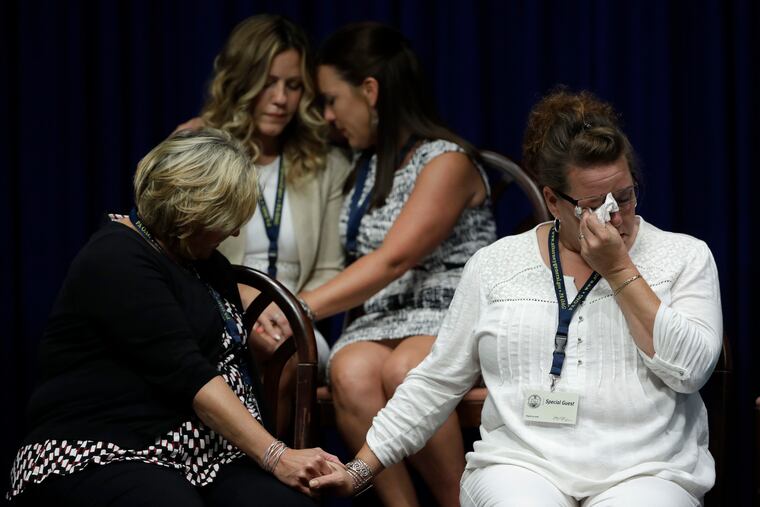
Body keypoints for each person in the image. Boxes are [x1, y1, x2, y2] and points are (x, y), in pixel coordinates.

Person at [308, 89, 723, 507]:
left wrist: (619, 270)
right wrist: (358, 470)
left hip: (647, 470)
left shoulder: (684, 256)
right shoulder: (496, 265)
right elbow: (435, 381)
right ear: (553, 201)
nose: (615, 216)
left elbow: (690, 369)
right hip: (523, 466)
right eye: (594, 204)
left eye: (626, 196)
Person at [7, 129, 337, 506]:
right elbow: (191, 376)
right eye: (226, 218)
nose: (235, 230)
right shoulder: (116, 259)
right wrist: (277, 455)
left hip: (206, 457)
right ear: (190, 210)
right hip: (107, 446)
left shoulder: (202, 262)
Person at [260, 22, 496, 507]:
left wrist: (294, 308)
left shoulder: (446, 161)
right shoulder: (357, 165)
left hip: (447, 315)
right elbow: (272, 135)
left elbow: (394, 258)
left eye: (331, 100)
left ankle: (459, 501)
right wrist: (208, 128)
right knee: (349, 370)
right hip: (380, 320)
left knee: (408, 369)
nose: (325, 116)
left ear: (369, 91)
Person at [176, 14, 351, 383]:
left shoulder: (328, 163)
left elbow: (330, 269)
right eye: (268, 83)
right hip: (216, 306)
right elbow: (177, 252)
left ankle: (277, 445)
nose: (280, 99)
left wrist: (289, 310)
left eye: (293, 85)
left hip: (295, 317)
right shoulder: (198, 146)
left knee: (284, 349)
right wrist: (240, 301)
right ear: (242, 81)